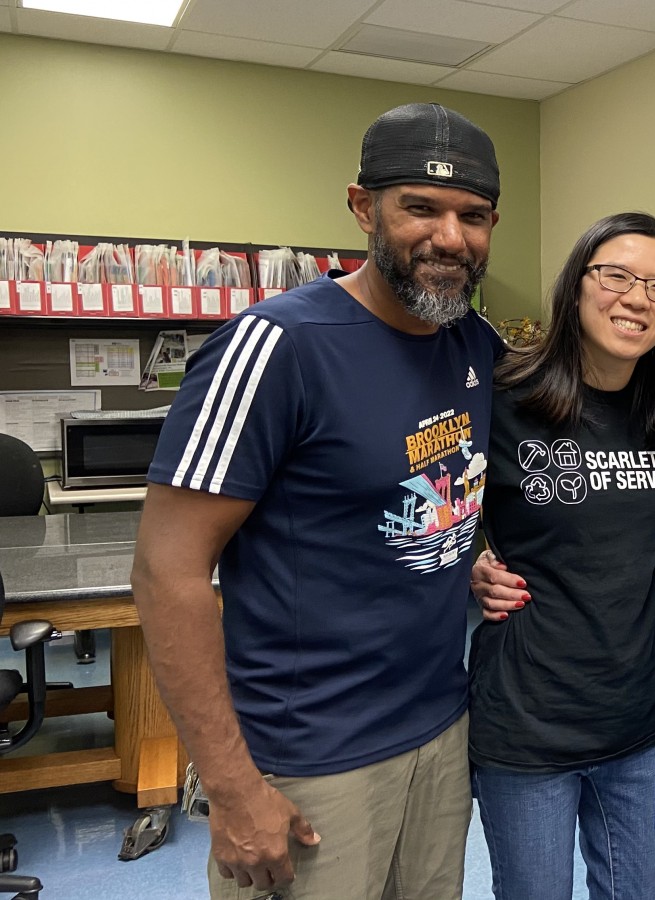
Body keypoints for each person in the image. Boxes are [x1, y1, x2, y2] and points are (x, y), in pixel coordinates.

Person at [131, 102, 505, 900]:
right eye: (421, 208)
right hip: (306, 761)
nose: (449, 236)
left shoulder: (477, 345)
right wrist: (231, 788)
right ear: (363, 208)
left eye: (472, 216)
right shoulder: (276, 347)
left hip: (441, 734)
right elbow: (167, 574)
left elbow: (443, 489)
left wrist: (475, 555)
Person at [466, 212, 655, 900]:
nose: (636, 299)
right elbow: (417, 508)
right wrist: (468, 561)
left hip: (636, 722)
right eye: (617, 275)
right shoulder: (505, 398)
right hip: (527, 723)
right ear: (576, 286)